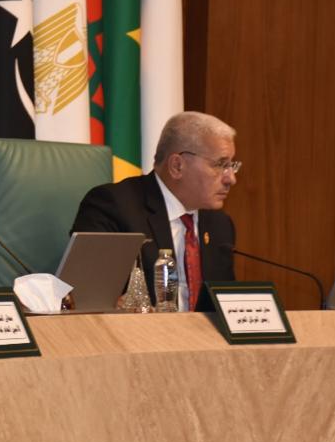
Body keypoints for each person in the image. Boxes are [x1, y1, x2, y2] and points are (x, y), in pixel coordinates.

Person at [71, 111, 239, 310]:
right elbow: (88, 297)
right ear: (177, 166)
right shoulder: (113, 206)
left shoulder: (219, 225)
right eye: (220, 165)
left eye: (232, 165)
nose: (231, 179)